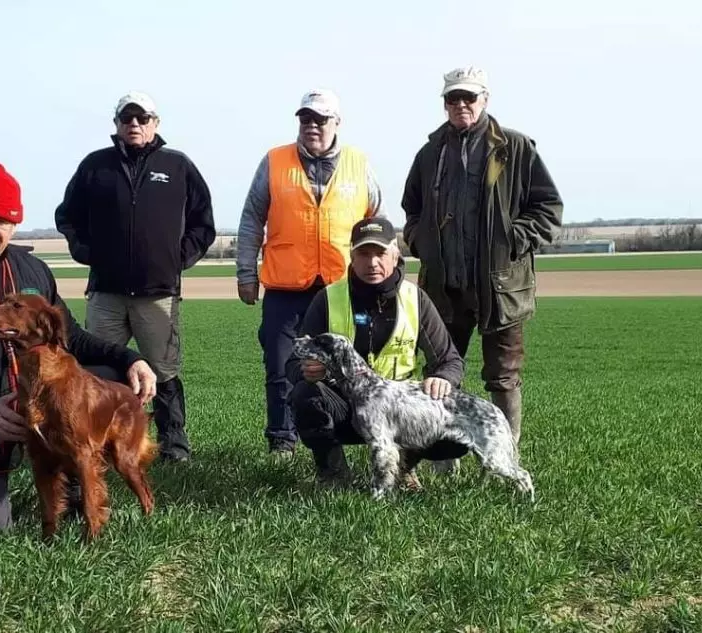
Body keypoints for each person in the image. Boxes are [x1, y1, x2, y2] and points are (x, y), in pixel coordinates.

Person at [0, 160, 159, 532]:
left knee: (109, 377)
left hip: (34, 404)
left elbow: (73, 338)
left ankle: (72, 478)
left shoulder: (32, 269)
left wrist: (132, 358)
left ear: (14, 223)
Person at [400, 65, 563, 471]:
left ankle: (504, 460)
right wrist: (421, 241)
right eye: (452, 99)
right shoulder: (429, 153)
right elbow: (412, 209)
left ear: (485, 99)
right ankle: (443, 456)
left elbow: (548, 208)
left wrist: (512, 240)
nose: (460, 105)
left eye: (468, 97)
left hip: (500, 287)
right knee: (440, 372)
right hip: (444, 289)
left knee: (503, 376)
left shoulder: (516, 148)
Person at [54, 91, 215, 464]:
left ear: (156, 124)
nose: (135, 125)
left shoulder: (177, 166)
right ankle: (100, 443)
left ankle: (174, 444)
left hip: (157, 292)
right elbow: (67, 215)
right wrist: (83, 251)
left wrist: (177, 259)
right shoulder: (95, 166)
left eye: (142, 119)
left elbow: (202, 222)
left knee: (164, 370)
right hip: (106, 291)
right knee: (100, 370)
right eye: (127, 119)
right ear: (116, 125)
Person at [236, 88, 384, 457]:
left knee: (354, 366)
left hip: (341, 287)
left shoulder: (359, 163)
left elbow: (377, 221)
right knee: (280, 366)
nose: (312, 126)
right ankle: (282, 442)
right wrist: (245, 272)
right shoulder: (274, 161)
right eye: (306, 119)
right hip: (286, 288)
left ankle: (355, 436)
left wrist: (380, 271)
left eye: (321, 119)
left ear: (337, 122)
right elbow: (252, 219)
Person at [286, 216, 465, 487]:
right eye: (363, 254)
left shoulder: (416, 299)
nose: (372, 263)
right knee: (305, 396)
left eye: (380, 253)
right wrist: (305, 371)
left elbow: (450, 360)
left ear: (395, 253)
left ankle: (404, 467)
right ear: (351, 256)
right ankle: (333, 475)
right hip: (348, 408)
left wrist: (444, 378)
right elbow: (293, 361)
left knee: (453, 428)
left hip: (399, 410)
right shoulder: (327, 299)